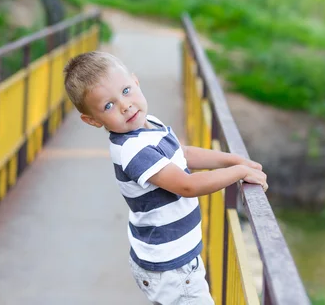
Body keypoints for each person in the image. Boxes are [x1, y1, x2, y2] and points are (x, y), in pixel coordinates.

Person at [63, 51, 267, 304]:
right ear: (92, 120)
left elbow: (183, 154)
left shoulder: (148, 124)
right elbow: (187, 185)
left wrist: (232, 159)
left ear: (136, 82)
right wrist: (238, 173)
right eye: (108, 105)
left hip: (175, 260)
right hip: (170, 268)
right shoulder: (133, 150)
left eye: (126, 91)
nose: (124, 105)